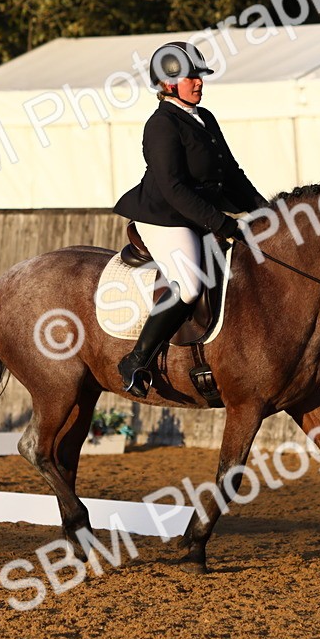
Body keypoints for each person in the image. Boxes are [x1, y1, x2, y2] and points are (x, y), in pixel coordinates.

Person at [112, 41, 268, 398]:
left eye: (199, 76)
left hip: (198, 213)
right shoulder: (161, 124)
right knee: (189, 284)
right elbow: (173, 188)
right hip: (165, 217)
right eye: (190, 77)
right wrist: (222, 223)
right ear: (168, 84)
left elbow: (233, 174)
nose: (199, 82)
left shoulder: (205, 118)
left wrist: (267, 212)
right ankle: (136, 360)